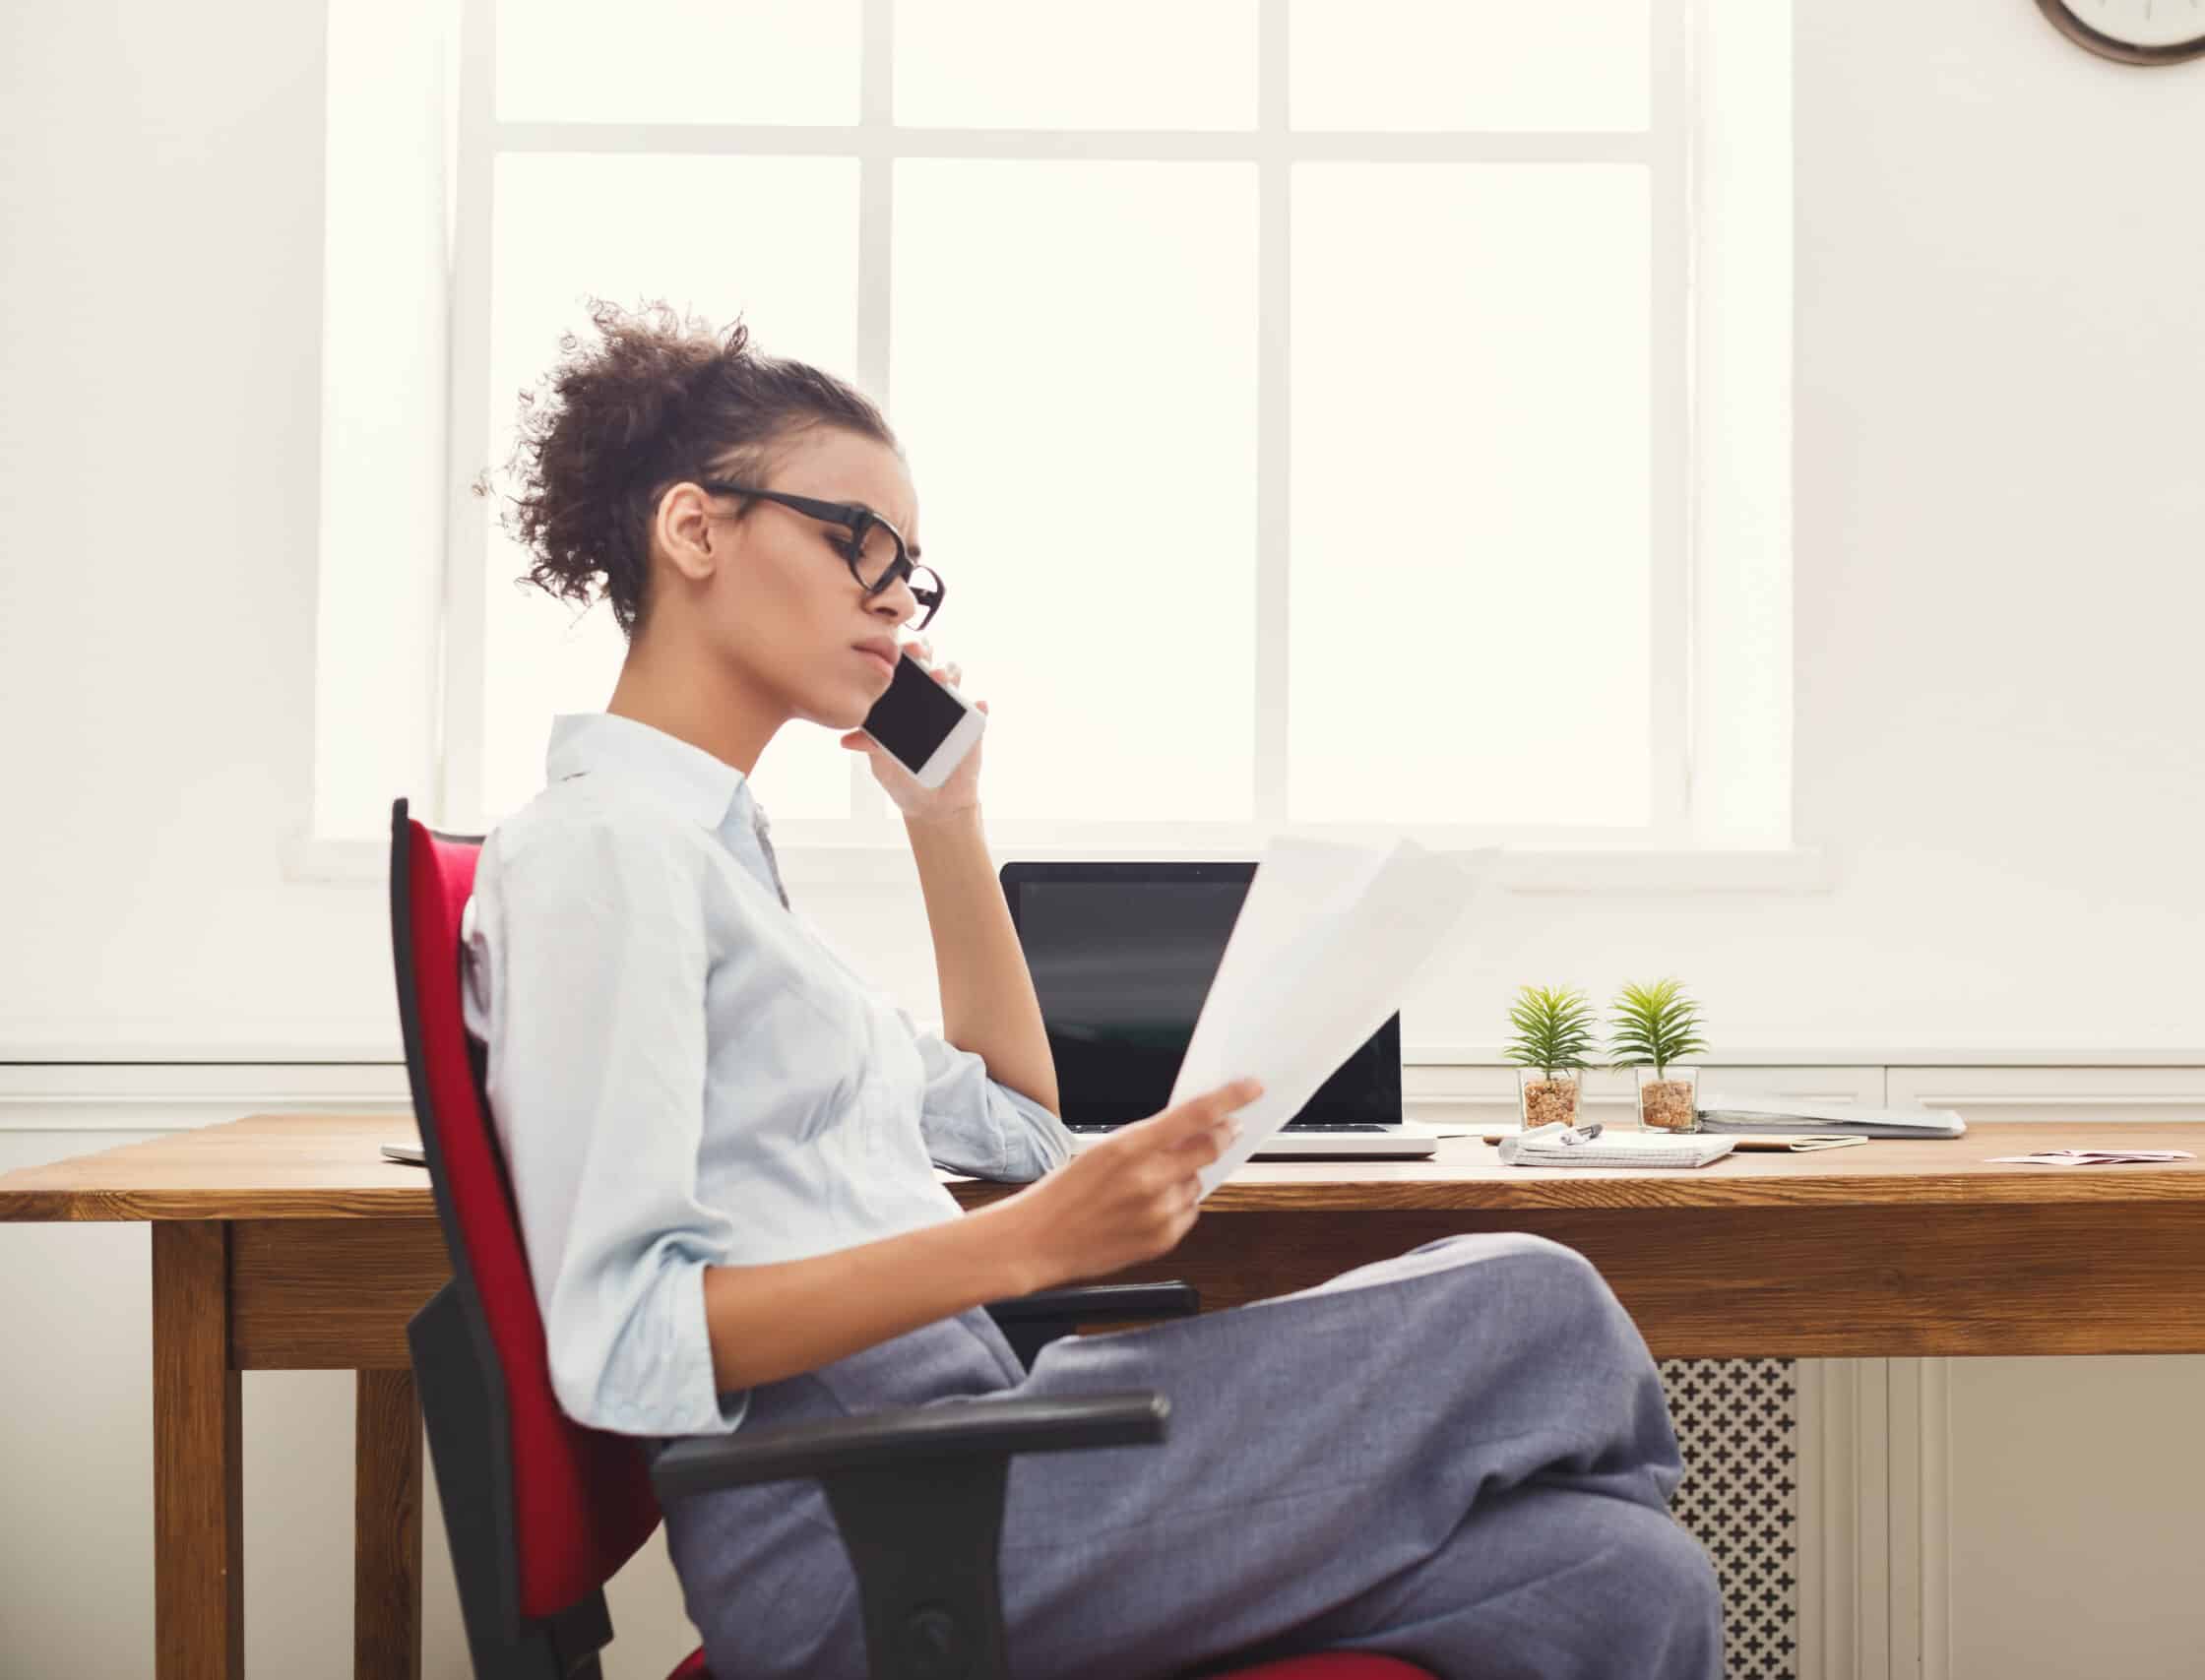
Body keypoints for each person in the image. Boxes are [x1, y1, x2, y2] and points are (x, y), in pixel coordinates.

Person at [461, 297, 1725, 1680]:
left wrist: (945, 822)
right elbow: (623, 1343)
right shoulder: (601, 857)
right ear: (696, 531)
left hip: (989, 1451)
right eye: (858, 547)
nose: (893, 598)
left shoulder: (719, 862)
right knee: (1531, 1302)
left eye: (911, 573)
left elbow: (1012, 1118)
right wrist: (1030, 1247)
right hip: (868, 1534)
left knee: (1616, 1577)